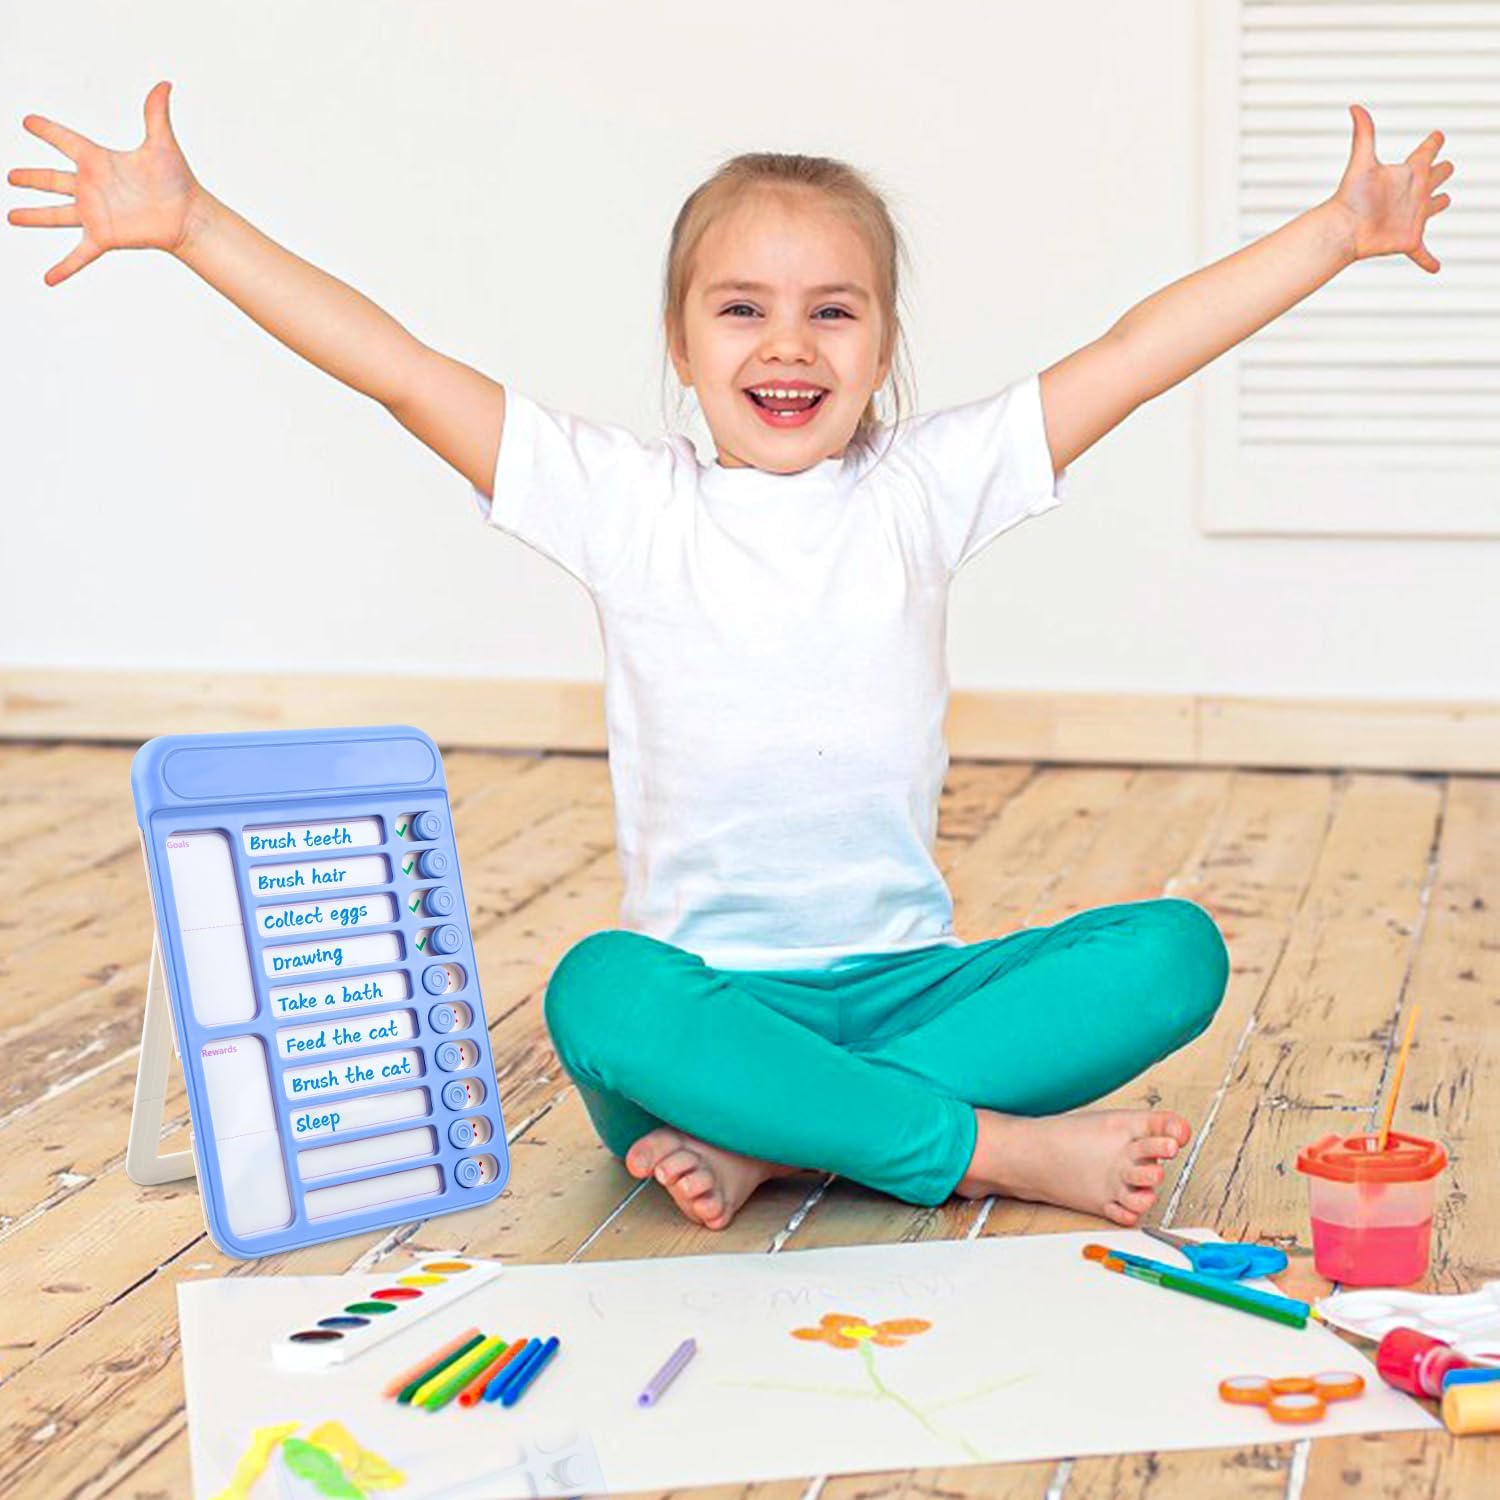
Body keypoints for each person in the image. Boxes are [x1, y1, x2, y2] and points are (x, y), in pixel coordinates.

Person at [8, 83, 1452, 1233]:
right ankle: (980, 1151)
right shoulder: (626, 505)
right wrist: (196, 230)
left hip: (907, 988)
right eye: (743, 308)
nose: (791, 344)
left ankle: (774, 1149)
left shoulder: (922, 493)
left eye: (836, 310)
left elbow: (1136, 353)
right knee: (596, 992)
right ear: (682, 340)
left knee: (1174, 953)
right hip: (713, 1009)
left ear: (885, 346)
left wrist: (1332, 235)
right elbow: (398, 368)